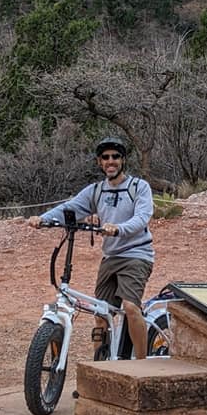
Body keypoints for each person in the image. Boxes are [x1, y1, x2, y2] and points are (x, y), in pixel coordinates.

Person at [28, 137, 154, 360]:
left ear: (123, 160)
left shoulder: (138, 187)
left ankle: (142, 367)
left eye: (115, 157)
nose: (110, 161)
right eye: (105, 158)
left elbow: (142, 218)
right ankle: (98, 367)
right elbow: (72, 208)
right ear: (99, 162)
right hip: (111, 257)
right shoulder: (96, 191)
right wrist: (44, 219)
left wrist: (118, 228)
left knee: (131, 307)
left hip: (136, 254)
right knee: (100, 313)